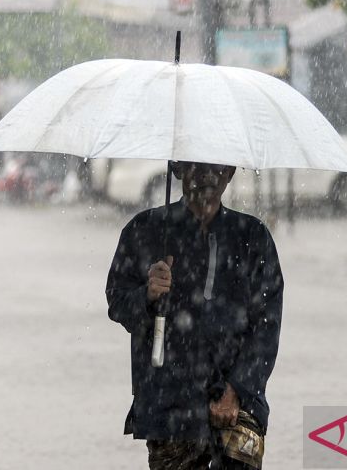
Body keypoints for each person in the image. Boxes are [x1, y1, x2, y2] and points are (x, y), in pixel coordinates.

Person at [106, 161, 284, 469]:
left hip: (239, 407)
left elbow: (267, 326)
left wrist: (237, 389)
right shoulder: (144, 230)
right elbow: (118, 304)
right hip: (168, 407)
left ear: (230, 172)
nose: (207, 175)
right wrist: (148, 294)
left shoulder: (254, 238)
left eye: (217, 167)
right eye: (196, 166)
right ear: (177, 169)